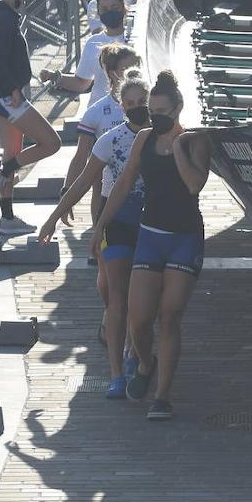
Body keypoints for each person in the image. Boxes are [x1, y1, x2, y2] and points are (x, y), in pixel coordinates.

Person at [92, 72, 212, 421]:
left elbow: (194, 185)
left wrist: (177, 148)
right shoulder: (143, 138)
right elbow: (124, 183)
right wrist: (100, 225)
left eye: (163, 111)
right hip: (151, 234)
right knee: (140, 319)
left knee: (170, 315)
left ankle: (162, 395)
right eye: (152, 109)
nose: (155, 116)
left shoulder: (195, 141)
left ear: (177, 109)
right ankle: (145, 363)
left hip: (184, 236)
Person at [39, 74, 151, 398]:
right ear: (120, 105)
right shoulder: (110, 140)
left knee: (140, 302)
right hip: (117, 221)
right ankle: (117, 372)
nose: (134, 109)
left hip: (152, 223)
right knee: (116, 297)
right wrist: (53, 218)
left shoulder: (161, 139)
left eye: (140, 103)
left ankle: (135, 353)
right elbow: (85, 181)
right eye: (128, 104)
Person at [0, 0, 60, 235]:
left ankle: (7, 219)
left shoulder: (2, 15)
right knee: (51, 142)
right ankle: (8, 169)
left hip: (4, 97)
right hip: (9, 98)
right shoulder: (4, 18)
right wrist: (13, 88)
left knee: (12, 151)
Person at [61, 43, 140, 226]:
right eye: (129, 68)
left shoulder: (151, 105)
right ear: (113, 74)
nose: (136, 73)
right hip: (107, 195)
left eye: (138, 67)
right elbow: (80, 157)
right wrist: (67, 194)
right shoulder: (95, 113)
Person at [42, 0, 130, 103]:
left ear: (123, 8)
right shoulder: (93, 43)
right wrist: (54, 76)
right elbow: (81, 83)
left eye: (114, 7)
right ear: (99, 13)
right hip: (99, 109)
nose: (109, 12)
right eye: (104, 9)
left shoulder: (132, 37)